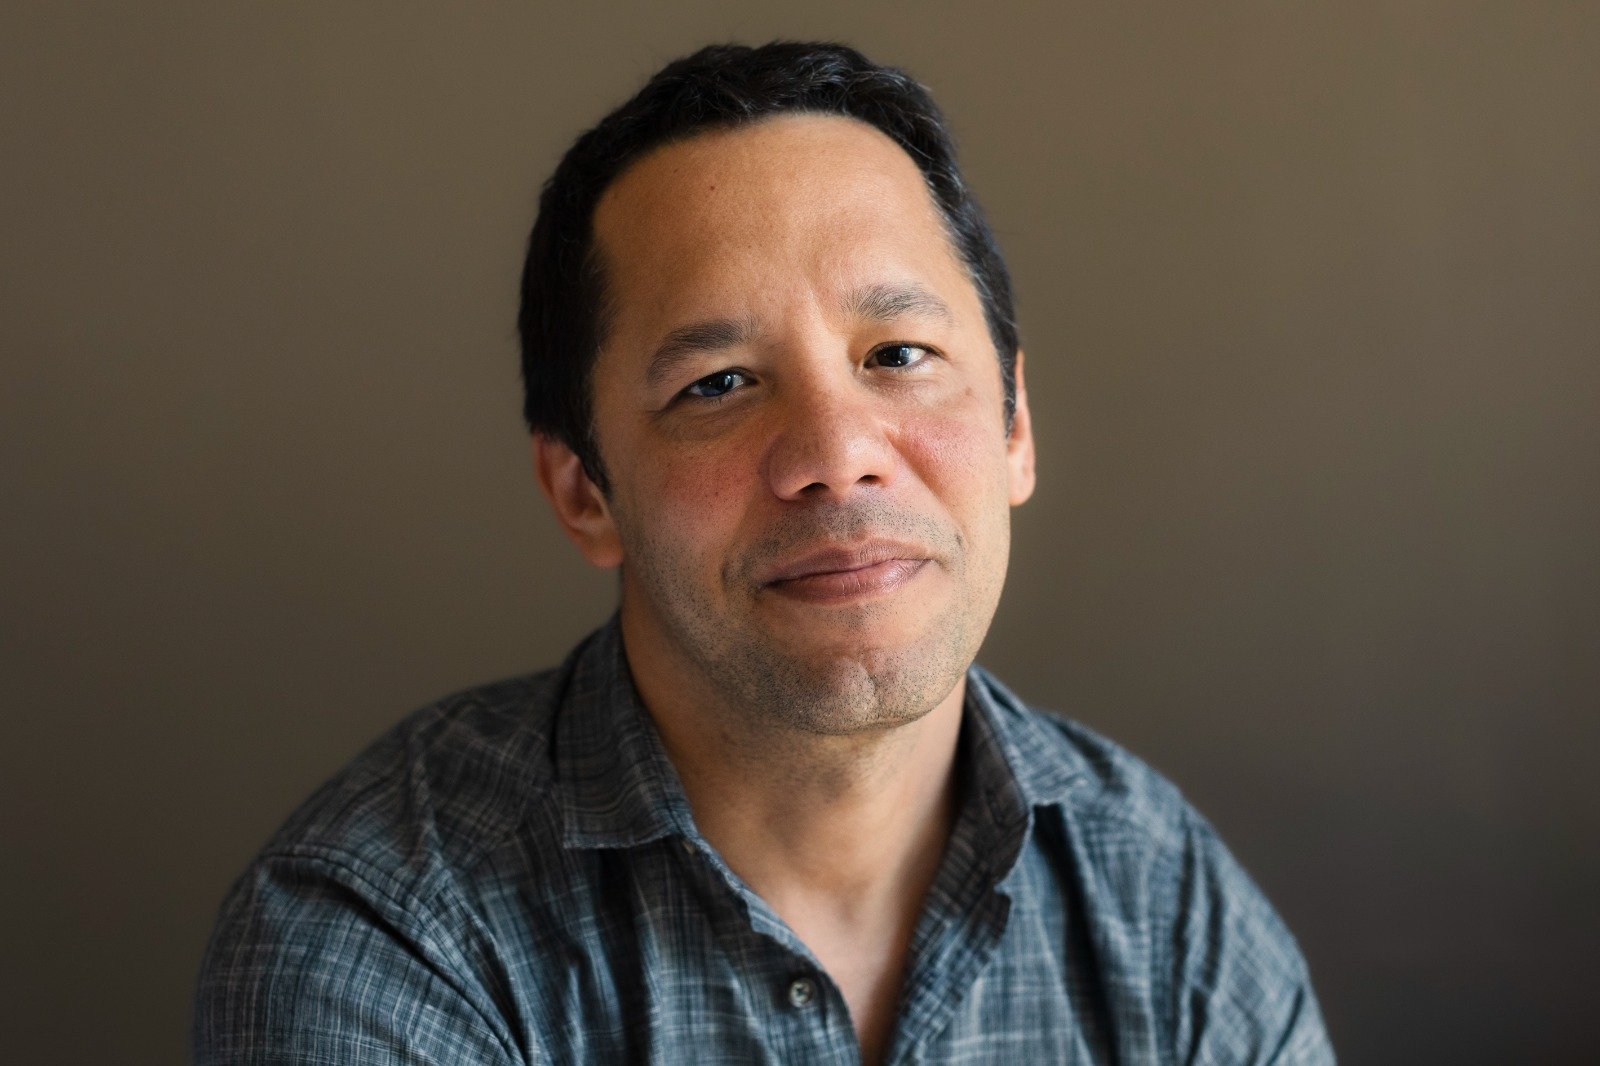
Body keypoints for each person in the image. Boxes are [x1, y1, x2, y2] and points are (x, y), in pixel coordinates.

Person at [194, 41, 1334, 1065]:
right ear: (584, 492)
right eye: (719, 383)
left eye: (897, 353)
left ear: (1015, 428)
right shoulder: (385, 936)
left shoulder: (1161, 901)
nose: (837, 455)